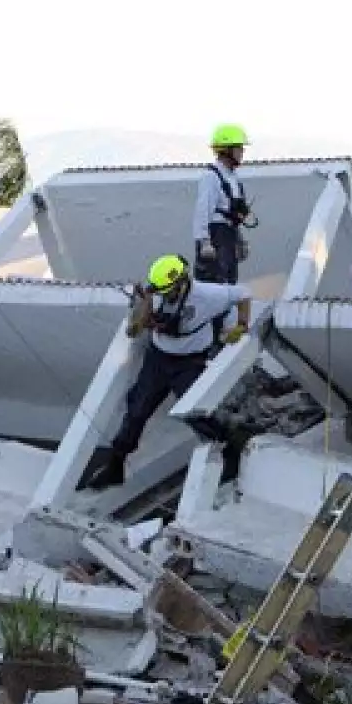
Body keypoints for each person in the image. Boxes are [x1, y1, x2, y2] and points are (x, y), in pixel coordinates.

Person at [82, 256, 252, 490]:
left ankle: (229, 451)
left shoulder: (208, 295)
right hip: (158, 359)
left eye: (170, 292)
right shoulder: (155, 294)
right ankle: (116, 464)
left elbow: (242, 293)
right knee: (136, 410)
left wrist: (241, 325)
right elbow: (135, 328)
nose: (166, 296)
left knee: (196, 412)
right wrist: (142, 313)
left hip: (190, 362)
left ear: (183, 282)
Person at [194, 124, 253, 286]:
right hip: (215, 236)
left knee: (229, 284)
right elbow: (203, 210)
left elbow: (233, 215)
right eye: (239, 148)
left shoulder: (233, 178)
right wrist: (204, 242)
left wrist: (240, 240)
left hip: (229, 236)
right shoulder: (211, 177)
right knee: (214, 285)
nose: (242, 153)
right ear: (226, 150)